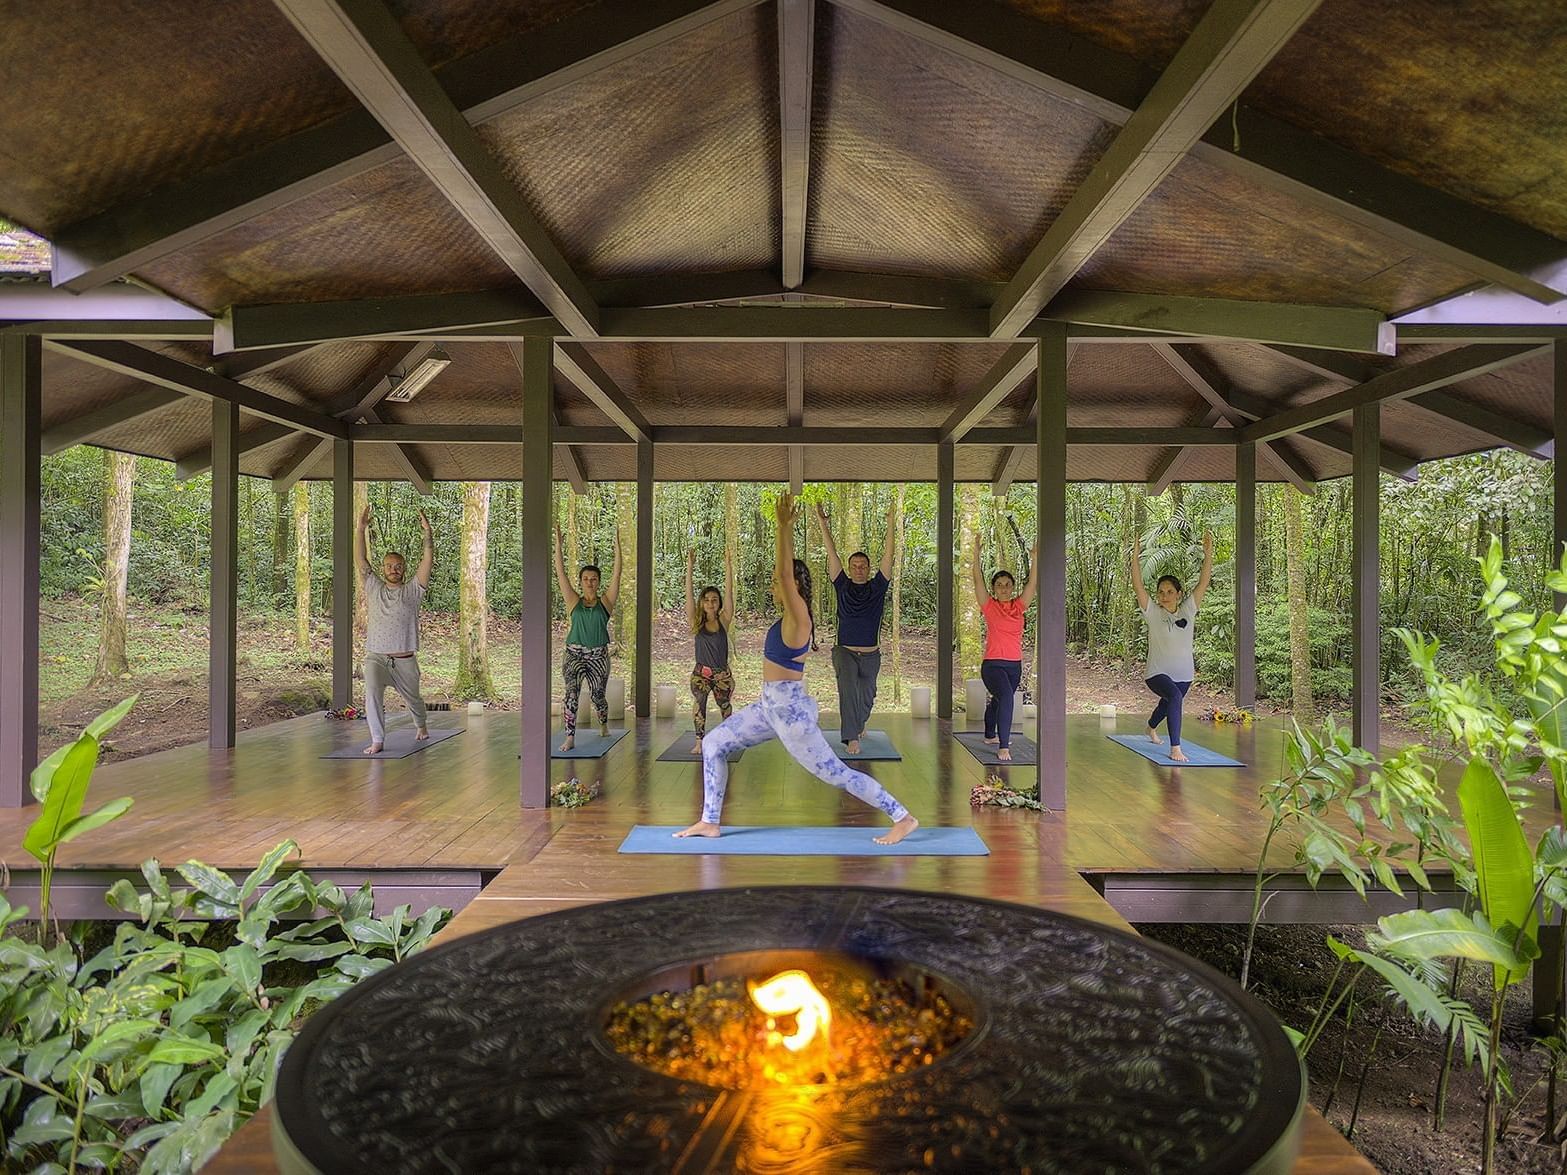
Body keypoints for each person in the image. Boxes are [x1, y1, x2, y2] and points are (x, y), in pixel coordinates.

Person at [677, 492, 918, 845]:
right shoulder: (789, 617)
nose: (774, 585)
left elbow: (785, 575)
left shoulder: (798, 616)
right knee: (713, 743)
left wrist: (784, 527)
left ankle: (903, 817)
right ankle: (709, 821)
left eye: (779, 582)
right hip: (767, 707)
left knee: (836, 773)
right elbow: (785, 578)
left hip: (789, 713)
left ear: (792, 585)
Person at [814, 500, 897, 755]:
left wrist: (891, 524)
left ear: (869, 569)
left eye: (863, 566)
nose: (859, 569)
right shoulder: (842, 585)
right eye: (855, 566)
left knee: (868, 695)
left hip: (871, 653)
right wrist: (822, 524)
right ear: (849, 570)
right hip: (845, 651)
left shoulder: (877, 587)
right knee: (848, 693)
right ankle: (851, 737)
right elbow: (832, 553)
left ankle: (858, 723)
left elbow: (888, 556)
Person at [355, 504, 433, 755]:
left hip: (405, 660)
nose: (393, 569)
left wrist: (428, 535)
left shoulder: (413, 591)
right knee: (373, 691)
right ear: (383, 568)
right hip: (376, 657)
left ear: (404, 568)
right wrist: (360, 530)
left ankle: (420, 724)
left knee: (415, 701)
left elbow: (427, 561)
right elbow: (361, 560)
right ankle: (378, 739)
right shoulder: (373, 587)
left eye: (398, 566)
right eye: (389, 565)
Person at [1130, 532, 1214, 762]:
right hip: (1157, 672)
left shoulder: (1188, 609)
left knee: (1168, 703)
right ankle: (1175, 747)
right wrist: (1135, 557)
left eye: (1169, 592)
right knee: (1175, 697)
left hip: (1184, 674)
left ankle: (1150, 727)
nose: (1164, 596)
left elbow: (1204, 581)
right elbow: (1137, 585)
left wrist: (1208, 555)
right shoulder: (1153, 613)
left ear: (1179, 594)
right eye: (1160, 591)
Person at [969, 531, 1039, 762]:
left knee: (1000, 699)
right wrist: (976, 554)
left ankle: (989, 732)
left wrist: (1035, 558)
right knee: (1008, 697)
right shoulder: (989, 606)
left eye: (1007, 585)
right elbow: (977, 580)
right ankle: (1003, 745)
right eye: (999, 585)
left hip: (1014, 666)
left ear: (1012, 586)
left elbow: (1032, 584)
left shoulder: (1019, 606)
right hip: (992, 666)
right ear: (994, 588)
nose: (1004, 588)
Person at [553, 525, 622, 752]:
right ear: (581, 582)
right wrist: (559, 546)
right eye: (585, 579)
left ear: (598, 582)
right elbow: (560, 574)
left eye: (593, 579)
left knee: (598, 696)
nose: (589, 582)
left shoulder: (606, 603)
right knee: (571, 693)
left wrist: (618, 548)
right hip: (573, 654)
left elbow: (617, 575)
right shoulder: (574, 601)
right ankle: (570, 737)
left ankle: (603, 723)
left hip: (598, 655)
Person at [686, 546, 737, 754]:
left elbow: (729, 590)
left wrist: (728, 565)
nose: (710, 603)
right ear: (702, 603)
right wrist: (689, 568)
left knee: (725, 706)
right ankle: (699, 740)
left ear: (719, 603)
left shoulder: (724, 620)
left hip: (722, 674)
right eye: (706, 600)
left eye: (714, 600)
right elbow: (688, 595)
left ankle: (729, 738)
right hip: (701, 673)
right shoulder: (696, 621)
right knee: (699, 703)